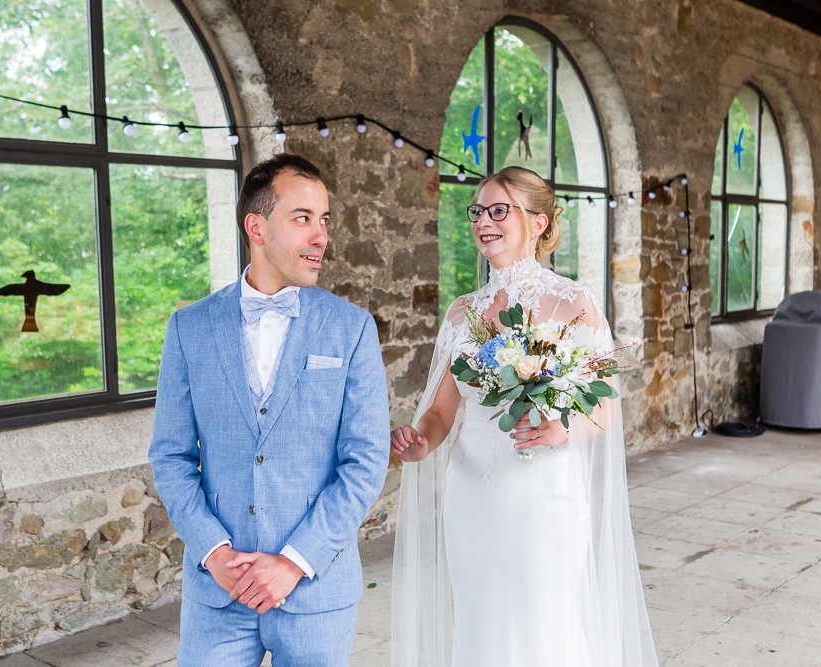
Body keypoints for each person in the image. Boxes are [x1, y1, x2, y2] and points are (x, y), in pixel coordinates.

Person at [389, 166, 658, 667]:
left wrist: (563, 430)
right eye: (478, 212)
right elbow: (442, 412)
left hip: (544, 496)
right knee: (481, 621)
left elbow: (606, 408)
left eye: (498, 210)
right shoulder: (461, 313)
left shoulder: (572, 303)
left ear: (537, 224)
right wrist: (421, 442)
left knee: (542, 623)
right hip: (472, 496)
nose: (483, 222)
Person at [149, 153, 390, 667]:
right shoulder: (188, 329)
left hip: (316, 591)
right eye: (302, 218)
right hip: (219, 593)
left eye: (323, 220)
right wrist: (214, 553)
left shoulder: (352, 329)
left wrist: (293, 562)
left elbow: (365, 463)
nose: (321, 235)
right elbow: (170, 457)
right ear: (256, 227)